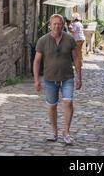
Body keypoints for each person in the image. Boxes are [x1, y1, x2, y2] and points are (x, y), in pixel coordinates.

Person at [33, 14, 82, 145]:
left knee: (68, 103)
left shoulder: (70, 39)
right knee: (52, 106)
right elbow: (37, 61)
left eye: (59, 24)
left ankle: (66, 132)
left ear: (63, 25)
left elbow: (76, 59)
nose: (57, 26)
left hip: (67, 77)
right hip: (50, 78)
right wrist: (36, 80)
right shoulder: (43, 40)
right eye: (54, 24)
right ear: (50, 25)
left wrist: (79, 77)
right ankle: (54, 132)